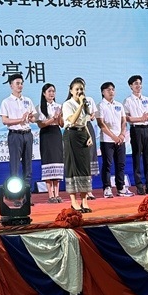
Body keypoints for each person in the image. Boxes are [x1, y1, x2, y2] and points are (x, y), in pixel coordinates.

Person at [62, 77, 93, 213]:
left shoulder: (85, 104)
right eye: (77, 89)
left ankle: (84, 201)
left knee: (84, 167)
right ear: (71, 91)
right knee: (73, 167)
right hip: (71, 135)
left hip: (82, 135)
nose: (79, 91)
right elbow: (73, 120)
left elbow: (84, 122)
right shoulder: (67, 104)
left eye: (81, 89)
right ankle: (74, 202)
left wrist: (89, 136)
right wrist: (80, 105)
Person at [97, 82, 132, 198]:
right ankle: (107, 188)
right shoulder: (100, 106)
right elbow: (101, 124)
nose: (111, 92)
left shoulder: (119, 105)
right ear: (103, 92)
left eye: (112, 89)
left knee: (121, 164)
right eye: (108, 90)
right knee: (107, 164)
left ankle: (121, 187)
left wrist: (122, 135)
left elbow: (124, 121)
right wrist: (114, 137)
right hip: (107, 140)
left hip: (120, 140)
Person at [123, 75, 148, 195]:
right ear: (130, 86)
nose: (138, 86)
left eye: (139, 83)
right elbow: (127, 118)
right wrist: (140, 118)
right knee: (137, 157)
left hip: (147, 129)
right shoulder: (128, 101)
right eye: (135, 83)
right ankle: (139, 185)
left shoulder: (147, 100)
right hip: (136, 130)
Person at [0, 73, 36, 185]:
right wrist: (20, 120)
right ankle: (15, 193)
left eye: (21, 83)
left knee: (28, 165)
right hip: (15, 135)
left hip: (27, 134)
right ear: (11, 85)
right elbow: (5, 120)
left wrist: (31, 118)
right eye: (17, 83)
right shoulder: (6, 102)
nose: (20, 86)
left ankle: (27, 192)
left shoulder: (27, 100)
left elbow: (33, 118)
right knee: (15, 165)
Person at [36, 83, 64, 203]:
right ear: (44, 93)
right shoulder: (40, 107)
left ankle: (57, 194)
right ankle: (50, 194)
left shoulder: (59, 106)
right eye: (49, 91)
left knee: (57, 161)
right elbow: (41, 124)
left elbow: (62, 124)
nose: (52, 93)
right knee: (48, 161)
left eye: (53, 91)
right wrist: (53, 118)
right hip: (46, 134)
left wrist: (59, 117)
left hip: (56, 133)